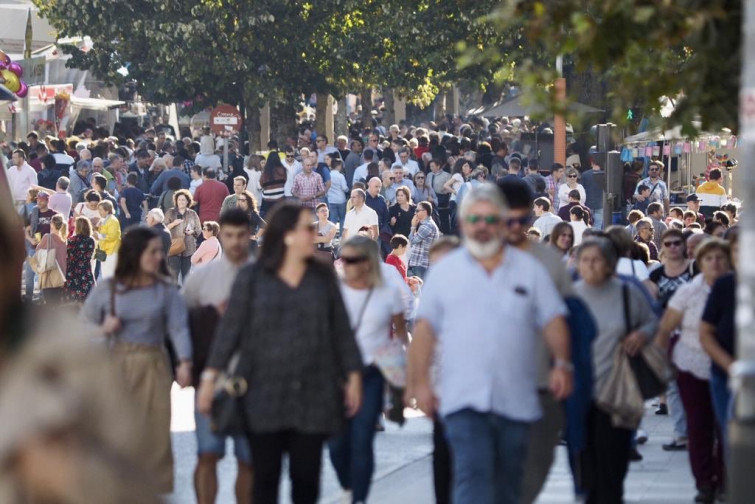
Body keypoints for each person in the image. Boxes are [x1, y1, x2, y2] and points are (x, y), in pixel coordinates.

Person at [408, 184, 572, 504]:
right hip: (463, 399)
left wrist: (563, 364)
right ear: (462, 223)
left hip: (517, 398)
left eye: (489, 219)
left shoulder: (530, 269)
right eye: (474, 218)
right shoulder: (445, 272)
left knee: (510, 484)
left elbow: (554, 320)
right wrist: (419, 383)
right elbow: (425, 331)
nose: (482, 226)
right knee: (472, 476)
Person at [196, 202, 363, 504]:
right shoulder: (253, 276)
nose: (315, 234)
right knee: (265, 479)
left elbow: (340, 330)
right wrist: (209, 378)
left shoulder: (322, 277)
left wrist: (352, 375)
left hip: (313, 394)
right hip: (263, 394)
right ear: (287, 234)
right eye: (308, 229)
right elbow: (229, 332)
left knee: (306, 479)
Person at [81, 226, 193, 493]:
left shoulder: (165, 290)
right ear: (135, 254)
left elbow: (178, 327)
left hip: (154, 363)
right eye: (152, 252)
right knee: (118, 435)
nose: (159, 257)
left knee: (155, 436)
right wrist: (103, 328)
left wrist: (185, 362)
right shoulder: (108, 289)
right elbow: (80, 327)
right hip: (116, 363)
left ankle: (151, 493)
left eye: (159, 251)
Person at [496, 179, 574, 504]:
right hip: (487, 388)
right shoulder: (467, 258)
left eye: (522, 220)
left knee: (533, 472)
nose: (515, 228)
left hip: (541, 384)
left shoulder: (549, 262)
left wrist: (564, 364)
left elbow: (567, 320)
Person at [573, 237, 659, 504]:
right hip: (580, 393)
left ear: (610, 263)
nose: (590, 266)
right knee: (585, 467)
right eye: (585, 260)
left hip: (619, 389)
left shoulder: (627, 292)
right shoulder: (570, 295)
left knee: (613, 464)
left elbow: (652, 321)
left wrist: (641, 335)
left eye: (596, 260)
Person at [181, 209, 254, 504]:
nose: (235, 241)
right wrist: (185, 364)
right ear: (220, 235)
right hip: (210, 379)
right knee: (207, 454)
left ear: (249, 235)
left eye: (241, 235)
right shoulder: (201, 278)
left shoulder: (265, 276)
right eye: (229, 235)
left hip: (254, 382)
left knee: (249, 459)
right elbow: (181, 324)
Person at [329, 235, 408, 504]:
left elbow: (399, 337)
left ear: (367, 262)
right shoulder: (333, 290)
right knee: (337, 442)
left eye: (352, 259)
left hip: (372, 373)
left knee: (363, 438)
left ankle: (359, 499)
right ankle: (349, 485)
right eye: (343, 258)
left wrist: (400, 381)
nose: (345, 264)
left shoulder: (388, 293)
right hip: (337, 374)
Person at [654, 238, 731, 504]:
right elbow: (666, 327)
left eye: (720, 258)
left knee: (726, 428)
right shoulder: (690, 291)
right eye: (709, 259)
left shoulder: (736, 288)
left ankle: (724, 480)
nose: (715, 263)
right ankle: (704, 483)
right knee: (699, 427)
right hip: (692, 365)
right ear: (700, 262)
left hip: (726, 367)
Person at [648, 229, 696, 447]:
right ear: (663, 247)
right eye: (668, 244)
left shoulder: (694, 271)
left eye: (678, 243)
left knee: (694, 385)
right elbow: (651, 304)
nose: (673, 247)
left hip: (692, 333)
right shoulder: (656, 274)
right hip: (667, 333)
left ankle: (695, 430)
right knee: (673, 386)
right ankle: (681, 433)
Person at [700, 228, 739, 453]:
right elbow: (705, 331)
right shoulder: (724, 285)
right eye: (737, 251)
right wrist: (730, 365)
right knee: (730, 435)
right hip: (725, 372)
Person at [165, 189, 202, 284]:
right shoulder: (170, 212)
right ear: (176, 201)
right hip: (174, 248)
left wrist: (192, 232)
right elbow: (164, 228)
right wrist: (173, 223)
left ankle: (185, 297)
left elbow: (198, 230)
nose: (181, 202)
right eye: (179, 200)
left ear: (187, 201)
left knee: (186, 276)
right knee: (173, 276)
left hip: (188, 248)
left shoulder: (192, 213)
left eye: (183, 200)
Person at [35, 213, 68, 304]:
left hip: (48, 274)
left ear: (52, 224)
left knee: (49, 303)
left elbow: (37, 251)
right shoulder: (65, 240)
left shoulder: (47, 237)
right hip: (61, 276)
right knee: (57, 303)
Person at [65, 216, 96, 303]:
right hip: (85, 270)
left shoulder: (71, 240)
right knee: (86, 297)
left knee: (72, 297)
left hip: (72, 271)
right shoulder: (91, 240)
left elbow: (67, 255)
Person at [407, 201, 439, 279]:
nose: (415, 213)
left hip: (422, 264)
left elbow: (412, 241)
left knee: (421, 289)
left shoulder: (427, 226)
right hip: (421, 264)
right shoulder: (426, 225)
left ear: (425, 212)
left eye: (417, 210)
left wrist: (413, 226)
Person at [96, 200, 122, 279]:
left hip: (111, 251)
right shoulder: (104, 219)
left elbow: (112, 236)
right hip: (104, 250)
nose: (99, 212)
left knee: (109, 275)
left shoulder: (112, 221)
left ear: (107, 210)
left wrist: (98, 236)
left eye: (101, 210)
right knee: (104, 273)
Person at [581, 158, 605, 229]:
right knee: (598, 226)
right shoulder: (605, 174)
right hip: (600, 204)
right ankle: (596, 239)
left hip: (587, 203)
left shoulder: (585, 174)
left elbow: (581, 188)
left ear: (592, 163)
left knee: (586, 224)